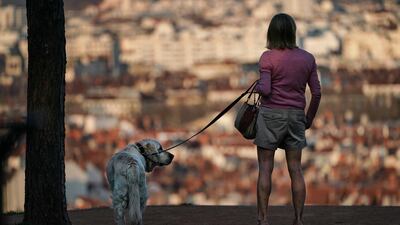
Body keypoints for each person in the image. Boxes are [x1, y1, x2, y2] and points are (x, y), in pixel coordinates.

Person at [253, 13, 322, 225]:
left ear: (271, 32)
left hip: (271, 116)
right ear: (293, 32)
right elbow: (317, 93)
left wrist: (257, 85)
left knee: (265, 167)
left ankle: (263, 219)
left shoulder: (268, 57)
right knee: (296, 169)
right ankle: (299, 220)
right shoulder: (308, 58)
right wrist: (308, 118)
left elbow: (265, 89)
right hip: (295, 116)